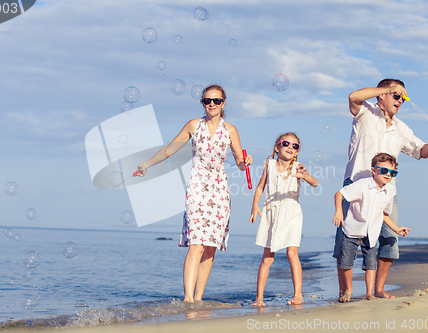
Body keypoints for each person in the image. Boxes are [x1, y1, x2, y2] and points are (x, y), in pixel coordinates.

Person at [136, 84, 253, 303]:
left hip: (219, 191)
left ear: (223, 103)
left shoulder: (231, 130)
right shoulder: (193, 125)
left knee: (210, 248)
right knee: (196, 244)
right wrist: (146, 164)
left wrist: (245, 161)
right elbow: (169, 149)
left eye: (216, 101)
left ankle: (198, 299)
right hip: (197, 189)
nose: (211, 104)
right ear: (202, 103)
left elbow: (238, 161)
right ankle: (188, 298)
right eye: (207, 100)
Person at [333, 78, 428, 299]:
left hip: (386, 191)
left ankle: (379, 289)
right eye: (395, 95)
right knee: (346, 239)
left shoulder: (401, 127)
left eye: (402, 97)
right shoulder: (366, 112)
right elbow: (352, 97)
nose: (400, 100)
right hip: (355, 183)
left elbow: (421, 151)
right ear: (381, 95)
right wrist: (388, 89)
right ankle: (345, 290)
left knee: (389, 240)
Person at [250, 133, 318, 306]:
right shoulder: (269, 164)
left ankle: (298, 294)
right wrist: (254, 205)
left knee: (291, 253)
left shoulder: (298, 167)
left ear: (297, 152)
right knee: (267, 257)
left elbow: (315, 183)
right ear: (277, 147)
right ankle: (259, 297)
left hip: (291, 212)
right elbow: (260, 187)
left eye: (295, 146)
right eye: (286, 143)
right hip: (271, 211)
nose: (290, 147)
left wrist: (306, 176)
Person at [333, 153, 410, 302]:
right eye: (384, 170)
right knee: (346, 262)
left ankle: (369, 293)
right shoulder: (362, 184)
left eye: (392, 172)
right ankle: (348, 290)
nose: (388, 175)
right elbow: (339, 194)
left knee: (370, 265)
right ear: (373, 170)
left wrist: (397, 228)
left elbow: (384, 214)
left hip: (372, 232)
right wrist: (339, 212)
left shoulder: (389, 191)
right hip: (352, 229)